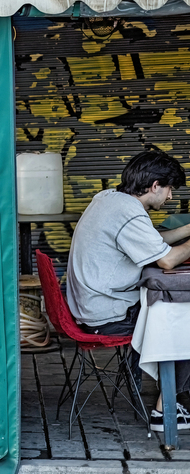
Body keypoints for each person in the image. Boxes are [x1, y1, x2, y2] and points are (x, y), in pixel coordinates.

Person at [66, 149, 190, 430]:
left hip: (92, 306)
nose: (171, 197)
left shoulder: (109, 199)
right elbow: (167, 260)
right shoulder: (129, 213)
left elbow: (152, 240)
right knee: (181, 319)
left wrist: (187, 230)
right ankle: (166, 410)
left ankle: (173, 394)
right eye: (170, 189)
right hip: (106, 316)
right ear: (155, 186)